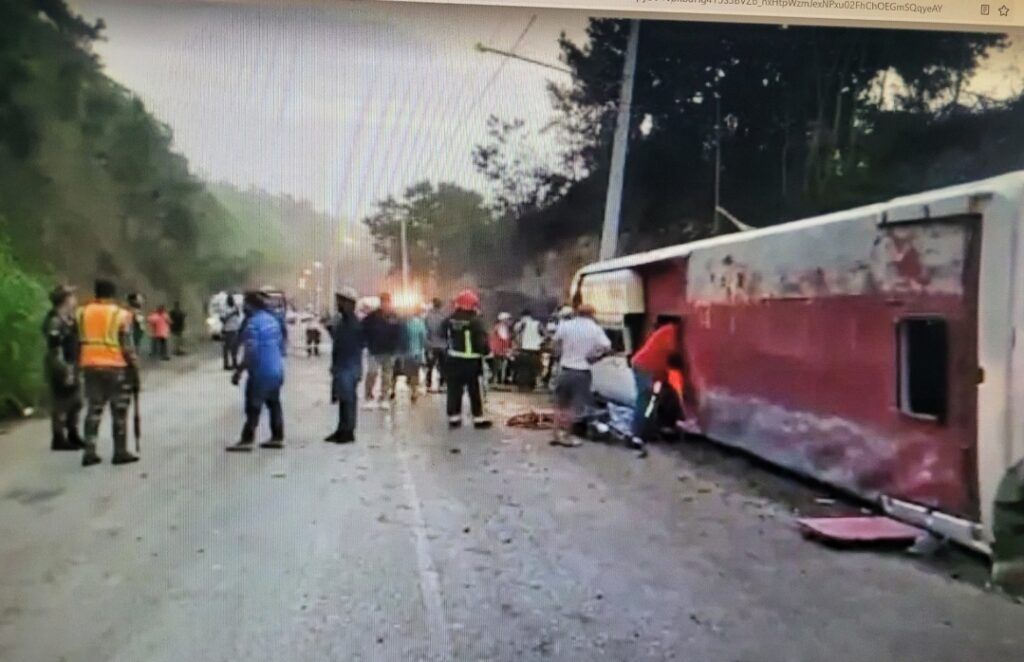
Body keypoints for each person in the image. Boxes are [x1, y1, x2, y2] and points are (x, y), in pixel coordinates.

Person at [77, 279, 140, 466]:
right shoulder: (121, 314)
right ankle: (119, 452)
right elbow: (126, 345)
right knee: (119, 409)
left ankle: (89, 451)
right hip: (115, 366)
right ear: (112, 295)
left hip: (89, 365)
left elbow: (76, 339)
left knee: (93, 409)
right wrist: (134, 366)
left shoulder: (82, 312)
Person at [227, 291, 287, 451]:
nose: (243, 307)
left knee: (253, 406)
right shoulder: (273, 321)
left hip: (261, 371)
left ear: (251, 305)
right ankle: (277, 437)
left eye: (245, 304)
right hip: (276, 369)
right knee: (274, 403)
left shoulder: (253, 324)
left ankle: (247, 439)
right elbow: (281, 345)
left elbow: (251, 353)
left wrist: (238, 371)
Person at [550, 303, 611, 447]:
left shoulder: (566, 325)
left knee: (560, 405)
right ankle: (567, 436)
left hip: (564, 369)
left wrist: (559, 355)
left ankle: (556, 434)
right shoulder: (595, 329)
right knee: (573, 407)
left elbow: (554, 343)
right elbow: (607, 346)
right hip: (582, 372)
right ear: (592, 314)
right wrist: (595, 357)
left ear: (577, 313)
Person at [630, 317, 685, 452]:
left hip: (654, 372)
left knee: (652, 400)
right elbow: (672, 354)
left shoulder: (663, 331)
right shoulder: (670, 330)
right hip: (646, 369)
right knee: (646, 399)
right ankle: (637, 435)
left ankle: (648, 431)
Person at [443, 290, 492, 429]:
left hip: (453, 359)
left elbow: (442, 333)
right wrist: (487, 354)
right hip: (471, 362)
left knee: (454, 390)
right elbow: (481, 341)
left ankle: (454, 418)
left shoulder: (450, 319)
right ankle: (478, 419)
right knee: (474, 391)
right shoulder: (476, 321)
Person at [43, 284, 83, 451]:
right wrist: (64, 369)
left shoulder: (70, 318)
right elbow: (54, 349)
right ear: (64, 300)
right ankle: (58, 437)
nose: (74, 299)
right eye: (71, 296)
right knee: (61, 401)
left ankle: (72, 432)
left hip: (73, 362)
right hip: (60, 364)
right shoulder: (55, 321)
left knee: (76, 401)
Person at [325, 287, 364, 444]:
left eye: (341, 301)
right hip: (343, 364)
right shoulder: (342, 321)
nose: (338, 304)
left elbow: (348, 344)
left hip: (349, 365)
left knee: (348, 398)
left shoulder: (353, 323)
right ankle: (342, 429)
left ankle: (348, 431)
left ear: (350, 303)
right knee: (343, 398)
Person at [361, 292, 404, 409]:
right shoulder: (372, 316)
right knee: (372, 373)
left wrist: (398, 348)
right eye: (383, 302)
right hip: (374, 350)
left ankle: (384, 397)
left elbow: (399, 333)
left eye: (387, 302)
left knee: (387, 376)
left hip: (389, 350)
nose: (386, 305)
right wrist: (365, 343)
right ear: (381, 303)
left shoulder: (395, 317)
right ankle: (368, 397)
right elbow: (363, 329)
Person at [399, 308, 428, 404]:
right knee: (415, 372)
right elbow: (423, 338)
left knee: (408, 371)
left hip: (405, 352)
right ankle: (414, 391)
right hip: (417, 352)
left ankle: (411, 385)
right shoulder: (420, 324)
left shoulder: (403, 324)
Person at [512, 308, 543, 391]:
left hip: (523, 350)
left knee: (522, 370)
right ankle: (533, 385)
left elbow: (515, 336)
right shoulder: (538, 323)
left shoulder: (519, 324)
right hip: (535, 351)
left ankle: (522, 386)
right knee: (534, 370)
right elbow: (543, 335)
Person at [424, 297, 447, 393]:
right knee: (443, 366)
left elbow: (426, 331)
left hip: (431, 345)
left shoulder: (428, 316)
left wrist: (427, 344)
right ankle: (442, 384)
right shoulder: (444, 317)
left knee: (430, 366)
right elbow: (446, 331)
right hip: (443, 345)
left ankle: (428, 384)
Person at [488, 312, 513, 385]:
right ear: (503, 320)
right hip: (499, 351)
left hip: (498, 351)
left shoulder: (499, 327)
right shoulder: (501, 327)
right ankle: (497, 381)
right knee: (498, 367)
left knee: (498, 366)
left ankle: (497, 380)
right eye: (508, 319)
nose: (510, 321)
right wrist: (507, 350)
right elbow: (503, 340)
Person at [220, 293, 243, 370]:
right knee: (226, 349)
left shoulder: (235, 307)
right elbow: (223, 320)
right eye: (230, 300)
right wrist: (231, 314)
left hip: (235, 330)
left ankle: (234, 363)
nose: (231, 301)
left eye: (232, 300)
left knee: (235, 348)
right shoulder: (224, 309)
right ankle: (226, 365)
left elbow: (238, 316)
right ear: (227, 301)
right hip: (227, 330)